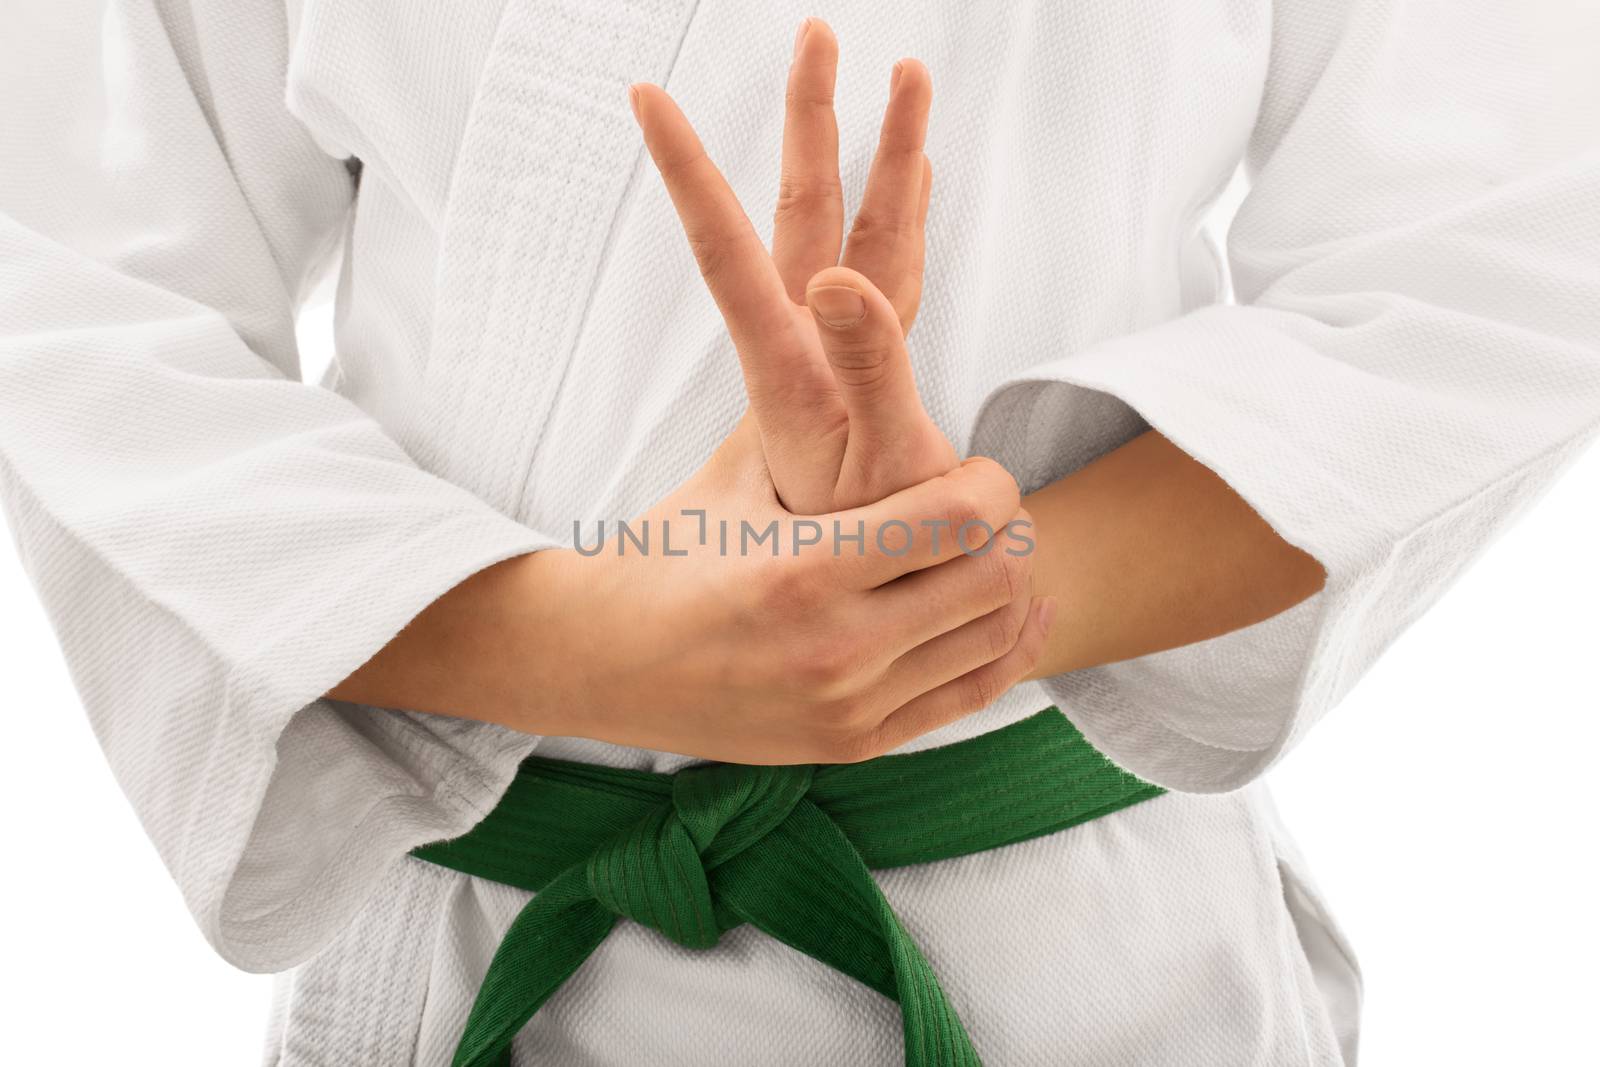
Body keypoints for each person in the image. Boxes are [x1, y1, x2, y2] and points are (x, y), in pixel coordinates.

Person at [1, 1, 1595, 1063]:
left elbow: (1505, 249)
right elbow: (65, 272)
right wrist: (585, 642)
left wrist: (982, 595)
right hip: (468, 936)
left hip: (1078, 966)